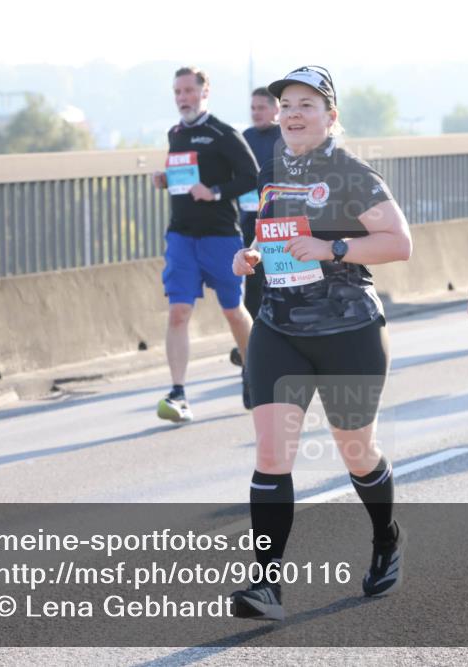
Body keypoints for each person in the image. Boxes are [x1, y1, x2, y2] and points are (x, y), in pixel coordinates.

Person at [228, 66, 413, 620]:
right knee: (271, 453)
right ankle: (266, 586)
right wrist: (251, 259)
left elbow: (398, 243)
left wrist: (332, 250)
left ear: (331, 116)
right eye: (285, 103)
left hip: (349, 331)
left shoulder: (351, 173)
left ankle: (386, 539)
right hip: (279, 329)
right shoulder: (273, 171)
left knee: (356, 453)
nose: (292, 113)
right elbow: (272, 238)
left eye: (307, 104)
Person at [152, 66, 259, 422]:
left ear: (204, 92)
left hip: (220, 237)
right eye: (177, 92)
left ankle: (252, 371)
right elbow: (186, 176)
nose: (183, 98)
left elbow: (251, 176)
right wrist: (165, 179)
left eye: (188, 91)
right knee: (178, 311)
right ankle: (178, 392)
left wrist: (214, 192)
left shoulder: (223, 133)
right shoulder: (176, 133)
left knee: (233, 311)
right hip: (181, 235)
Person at [229, 87, 283, 367]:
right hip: (248, 227)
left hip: (277, 227)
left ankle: (271, 352)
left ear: (276, 109)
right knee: (250, 297)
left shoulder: (284, 138)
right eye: (253, 108)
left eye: (262, 107)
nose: (256, 113)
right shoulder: (245, 138)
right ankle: (249, 367)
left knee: (273, 294)